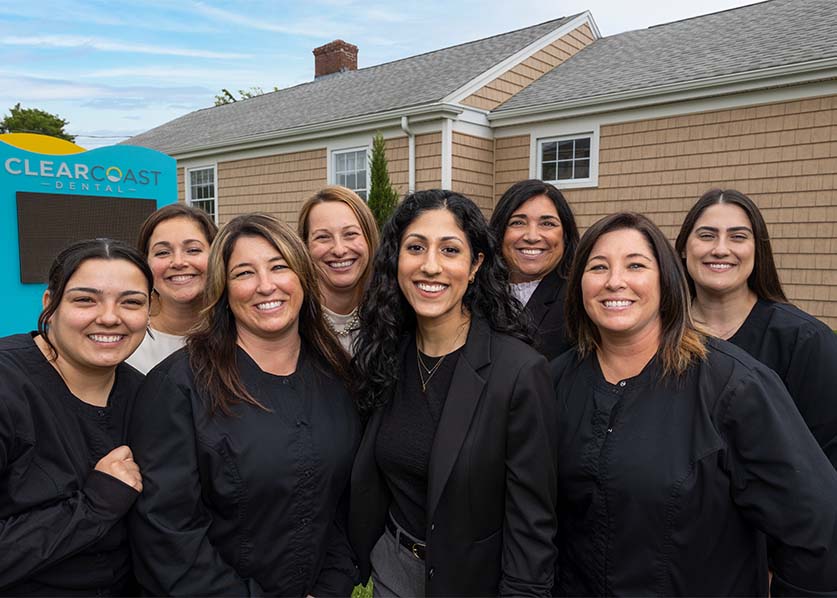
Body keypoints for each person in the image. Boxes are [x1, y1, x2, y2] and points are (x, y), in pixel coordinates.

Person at [552, 211, 837, 595]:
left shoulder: (733, 386)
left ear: (666, 280)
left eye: (635, 265)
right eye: (598, 267)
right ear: (579, 285)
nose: (614, 281)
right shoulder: (554, 383)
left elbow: (815, 523)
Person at [128, 213, 361, 596]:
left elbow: (345, 503)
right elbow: (168, 533)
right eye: (244, 273)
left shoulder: (338, 376)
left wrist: (331, 585)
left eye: (279, 267)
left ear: (302, 277)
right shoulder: (178, 386)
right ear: (223, 288)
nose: (266, 286)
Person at [350, 190, 557, 597]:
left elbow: (532, 525)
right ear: (397, 260)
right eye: (415, 248)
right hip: (392, 572)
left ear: (475, 264)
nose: (430, 266)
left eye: (450, 250)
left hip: (473, 582)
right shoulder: (386, 355)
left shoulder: (518, 373)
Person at [0, 239, 150, 595]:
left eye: (131, 302)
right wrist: (94, 505)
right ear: (50, 304)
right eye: (85, 299)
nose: (110, 317)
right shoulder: (8, 385)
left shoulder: (147, 394)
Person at [675, 188, 837, 467]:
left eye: (738, 237)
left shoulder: (805, 341)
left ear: (757, 250)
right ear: (682, 249)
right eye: (706, 235)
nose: (720, 249)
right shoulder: (661, 333)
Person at [489, 179, 579, 360]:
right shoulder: (478, 292)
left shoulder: (579, 299)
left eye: (547, 224)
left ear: (566, 235)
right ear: (499, 232)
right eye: (517, 223)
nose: (532, 236)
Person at [127, 203, 218, 374]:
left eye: (192, 250)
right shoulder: (126, 343)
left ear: (216, 256)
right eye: (162, 252)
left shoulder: (243, 337)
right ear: (145, 263)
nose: (178, 262)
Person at [298, 186, 380, 354]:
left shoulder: (392, 317)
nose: (339, 250)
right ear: (305, 246)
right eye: (323, 237)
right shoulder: (293, 323)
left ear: (369, 239)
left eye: (350, 234)